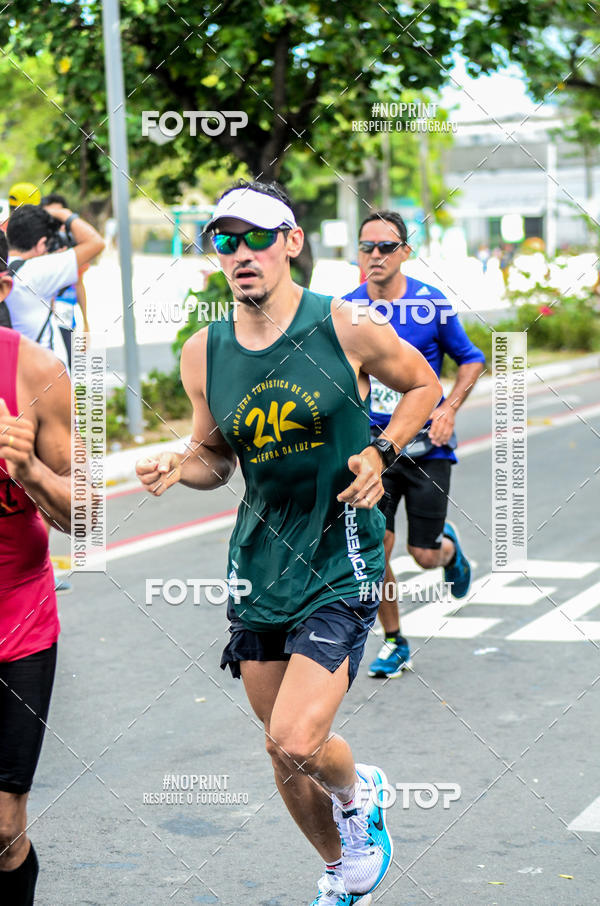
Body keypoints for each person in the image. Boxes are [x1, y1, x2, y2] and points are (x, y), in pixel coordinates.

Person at [136, 180, 442, 905]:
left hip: (342, 554)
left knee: (300, 739)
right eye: (225, 240)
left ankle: (358, 788)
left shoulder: (345, 325)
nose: (241, 253)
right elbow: (216, 461)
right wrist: (179, 466)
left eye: (256, 237)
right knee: (280, 747)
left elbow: (422, 385)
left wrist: (382, 451)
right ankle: (341, 867)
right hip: (259, 565)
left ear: (292, 243)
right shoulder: (202, 351)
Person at [343, 211, 485, 679]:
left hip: (426, 450)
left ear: (405, 251)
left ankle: (448, 552)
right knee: (376, 551)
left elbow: (471, 360)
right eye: (367, 247)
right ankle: (395, 642)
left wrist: (447, 410)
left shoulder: (431, 305)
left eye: (386, 247)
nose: (376, 255)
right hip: (373, 454)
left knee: (422, 554)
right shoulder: (344, 309)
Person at [0, 231, 73, 905]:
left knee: (0, 826)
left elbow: (87, 516)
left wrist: (27, 473)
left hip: (17, 628)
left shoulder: (38, 374)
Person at [5, 203, 103, 367]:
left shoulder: (6, 269)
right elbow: (96, 243)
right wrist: (63, 214)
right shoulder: (35, 272)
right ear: (41, 244)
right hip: (43, 378)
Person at [39, 194, 91, 369]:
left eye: (60, 217)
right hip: (43, 321)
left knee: (68, 370)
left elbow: (79, 283)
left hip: (67, 319)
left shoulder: (73, 248)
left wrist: (86, 322)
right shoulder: (36, 247)